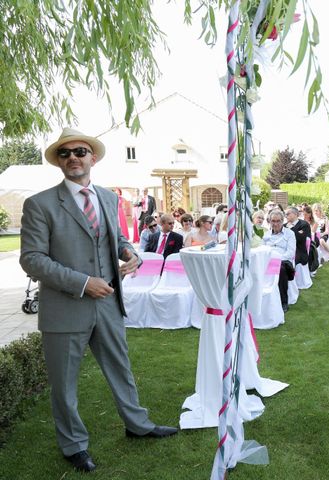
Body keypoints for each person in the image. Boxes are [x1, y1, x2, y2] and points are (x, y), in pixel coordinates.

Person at [19, 128, 177, 473]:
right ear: (59, 162)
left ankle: (138, 425)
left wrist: (129, 252)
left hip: (107, 303)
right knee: (64, 384)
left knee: (121, 369)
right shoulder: (40, 204)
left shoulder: (107, 198)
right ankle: (73, 444)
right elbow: (32, 259)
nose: (73, 157)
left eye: (80, 151)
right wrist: (82, 283)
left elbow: (118, 238)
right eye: (65, 154)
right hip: (65, 307)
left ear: (93, 157)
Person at [263, 210, 296, 312]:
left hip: (283, 261)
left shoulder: (290, 234)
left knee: (280, 269)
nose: (275, 224)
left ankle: (283, 302)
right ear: (270, 221)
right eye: (273, 221)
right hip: (267, 260)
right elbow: (262, 249)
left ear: (282, 221)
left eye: (278, 221)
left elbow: (290, 252)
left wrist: (277, 259)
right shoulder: (266, 234)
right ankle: (262, 300)